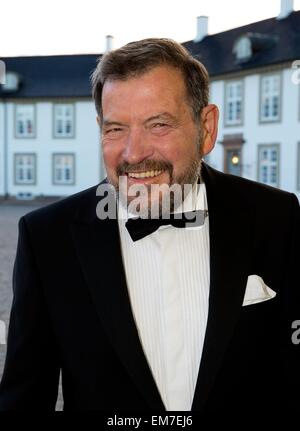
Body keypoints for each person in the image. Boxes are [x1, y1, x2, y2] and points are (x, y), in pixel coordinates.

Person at [0, 38, 299, 413]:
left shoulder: (277, 218)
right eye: (115, 129)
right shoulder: (46, 240)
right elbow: (22, 403)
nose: (134, 153)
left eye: (158, 125)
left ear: (206, 129)